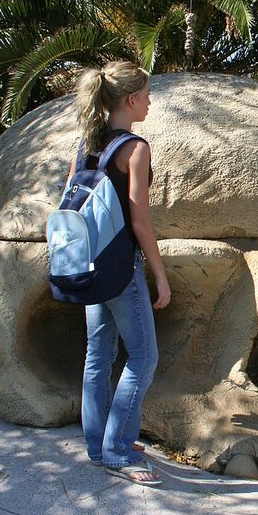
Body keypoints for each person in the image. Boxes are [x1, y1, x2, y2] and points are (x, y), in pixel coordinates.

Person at [70, 61, 171, 485]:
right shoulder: (136, 148)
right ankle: (116, 450)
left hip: (89, 266)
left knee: (98, 357)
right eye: (146, 94)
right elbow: (140, 223)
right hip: (121, 270)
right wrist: (160, 275)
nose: (149, 101)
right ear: (130, 100)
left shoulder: (86, 144)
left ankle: (101, 444)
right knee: (144, 357)